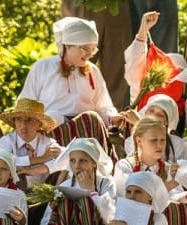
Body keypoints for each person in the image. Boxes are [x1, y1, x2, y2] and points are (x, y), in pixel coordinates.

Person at [18, 17, 117, 148]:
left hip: (88, 130)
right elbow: (26, 105)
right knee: (55, 117)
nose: (89, 54)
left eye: (93, 49)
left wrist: (113, 118)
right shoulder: (43, 67)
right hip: (52, 130)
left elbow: (104, 107)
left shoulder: (93, 71)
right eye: (85, 48)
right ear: (68, 45)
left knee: (90, 118)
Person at [0, 98, 62, 189]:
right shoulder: (6, 141)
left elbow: (66, 158)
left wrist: (34, 170)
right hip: (12, 192)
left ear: (39, 125)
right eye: (19, 119)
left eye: (29, 120)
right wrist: (41, 159)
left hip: (42, 194)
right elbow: (4, 162)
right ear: (14, 122)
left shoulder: (47, 143)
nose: (23, 124)